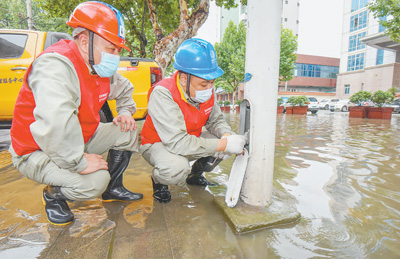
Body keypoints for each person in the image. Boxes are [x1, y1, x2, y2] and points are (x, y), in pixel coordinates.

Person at [9, 1, 143, 225]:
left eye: (118, 50)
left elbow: (126, 89)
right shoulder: (55, 66)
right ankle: (54, 195)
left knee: (127, 130)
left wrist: (126, 111)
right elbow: (55, 126)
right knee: (94, 181)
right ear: (84, 41)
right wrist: (79, 163)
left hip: (79, 138)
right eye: (111, 49)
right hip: (37, 150)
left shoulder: (97, 65)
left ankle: (113, 189)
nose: (115, 56)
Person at [140, 38, 247, 203]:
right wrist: (224, 145)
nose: (209, 89)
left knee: (224, 140)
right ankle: (159, 181)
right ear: (184, 79)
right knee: (176, 168)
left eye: (212, 83)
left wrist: (226, 136)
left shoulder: (206, 91)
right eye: (204, 84)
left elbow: (215, 120)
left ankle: (195, 174)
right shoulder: (163, 93)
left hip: (189, 139)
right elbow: (178, 143)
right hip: (158, 143)